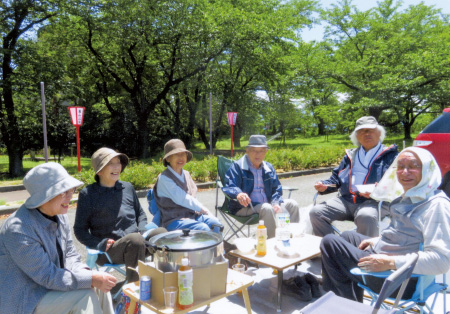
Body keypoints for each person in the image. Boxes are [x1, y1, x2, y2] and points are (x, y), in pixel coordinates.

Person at [320, 147, 450, 302]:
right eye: (400, 166)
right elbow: (405, 233)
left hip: (398, 280)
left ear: (429, 169)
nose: (405, 171)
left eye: (414, 166)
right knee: (348, 236)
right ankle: (352, 303)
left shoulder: (436, 206)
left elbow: (441, 260)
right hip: (391, 262)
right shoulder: (416, 195)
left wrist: (390, 262)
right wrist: (378, 240)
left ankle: (344, 305)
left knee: (329, 243)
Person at [0, 163, 116, 314]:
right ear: (44, 196)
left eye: (71, 190)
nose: (70, 196)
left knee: (100, 288)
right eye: (63, 192)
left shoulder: (59, 216)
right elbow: (48, 276)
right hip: (26, 300)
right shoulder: (18, 229)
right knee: (84, 295)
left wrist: (89, 275)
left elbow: (70, 255)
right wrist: (90, 278)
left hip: (51, 287)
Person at [74, 147, 166, 283]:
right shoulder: (88, 194)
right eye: (111, 163)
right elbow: (79, 230)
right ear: (99, 170)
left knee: (162, 233)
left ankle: (162, 281)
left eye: (118, 162)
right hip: (109, 251)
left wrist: (142, 229)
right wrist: (99, 243)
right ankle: (134, 291)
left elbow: (140, 214)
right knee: (135, 240)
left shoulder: (127, 187)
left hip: (137, 242)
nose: (117, 167)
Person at [310, 116, 398, 237]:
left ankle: (364, 252)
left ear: (379, 133)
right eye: (362, 131)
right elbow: (336, 180)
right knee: (316, 212)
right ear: (356, 136)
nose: (366, 134)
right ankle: (331, 247)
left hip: (374, 202)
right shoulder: (350, 155)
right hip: (346, 200)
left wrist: (377, 191)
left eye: (370, 130)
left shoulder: (391, 156)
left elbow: (397, 184)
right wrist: (324, 186)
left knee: (366, 216)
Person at [222, 134, 300, 239]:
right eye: (254, 150)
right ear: (247, 150)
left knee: (292, 204)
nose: (257, 154)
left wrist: (275, 202)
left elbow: (276, 188)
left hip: (267, 205)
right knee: (267, 208)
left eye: (261, 151)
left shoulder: (268, 168)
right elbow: (229, 185)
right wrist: (238, 193)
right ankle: (271, 245)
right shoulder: (237, 167)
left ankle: (293, 239)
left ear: (266, 152)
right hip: (245, 207)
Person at [153, 139, 223, 233]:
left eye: (183, 154)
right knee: (203, 229)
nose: (181, 157)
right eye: (176, 154)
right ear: (168, 158)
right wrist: (205, 211)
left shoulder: (186, 174)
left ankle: (219, 248)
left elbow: (193, 198)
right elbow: (183, 198)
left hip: (192, 217)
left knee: (216, 224)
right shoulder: (164, 179)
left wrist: (204, 214)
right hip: (173, 221)